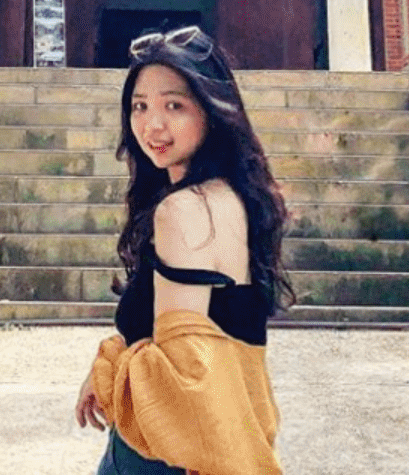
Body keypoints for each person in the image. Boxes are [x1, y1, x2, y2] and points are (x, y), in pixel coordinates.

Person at [74, 26, 292, 475]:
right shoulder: (232, 197)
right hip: (228, 431)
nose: (152, 125)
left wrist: (108, 368)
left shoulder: (183, 210)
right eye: (140, 106)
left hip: (162, 455)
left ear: (212, 112)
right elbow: (214, 329)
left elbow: (181, 376)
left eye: (174, 105)